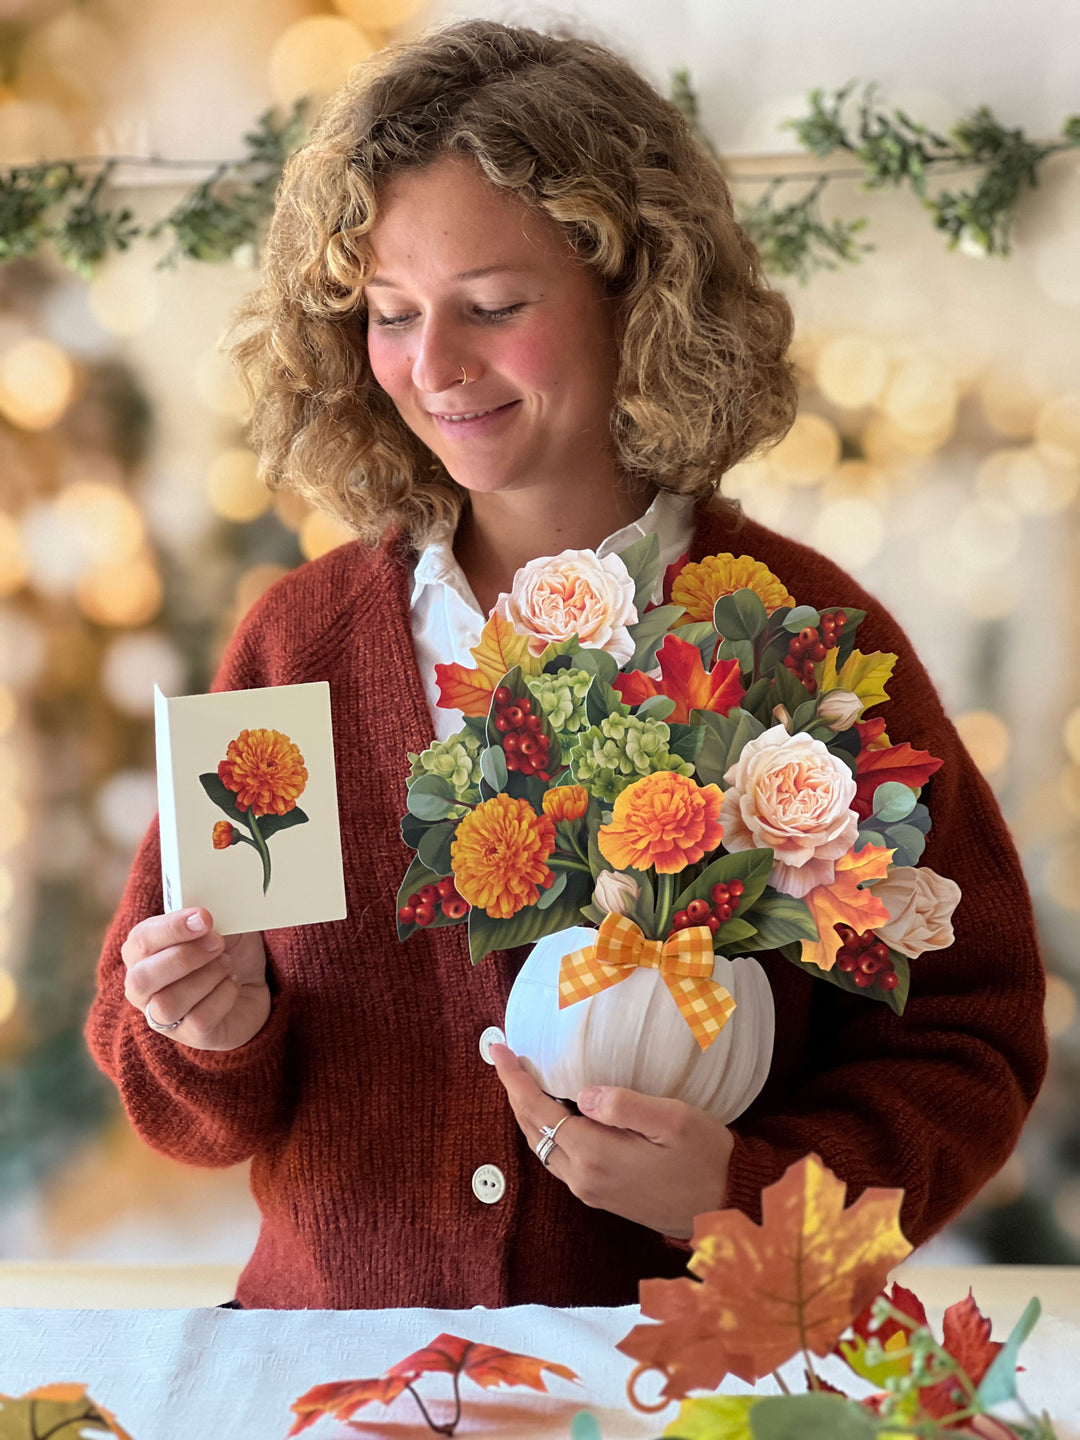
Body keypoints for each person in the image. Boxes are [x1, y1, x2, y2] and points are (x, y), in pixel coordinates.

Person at [85, 19, 1047, 1311]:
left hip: (681, 1381)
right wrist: (212, 1028)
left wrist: (750, 1197)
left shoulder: (815, 645)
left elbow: (965, 1040)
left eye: (492, 307)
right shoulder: (297, 650)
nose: (432, 367)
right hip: (338, 1387)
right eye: (389, 314)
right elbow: (181, 1108)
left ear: (637, 295)